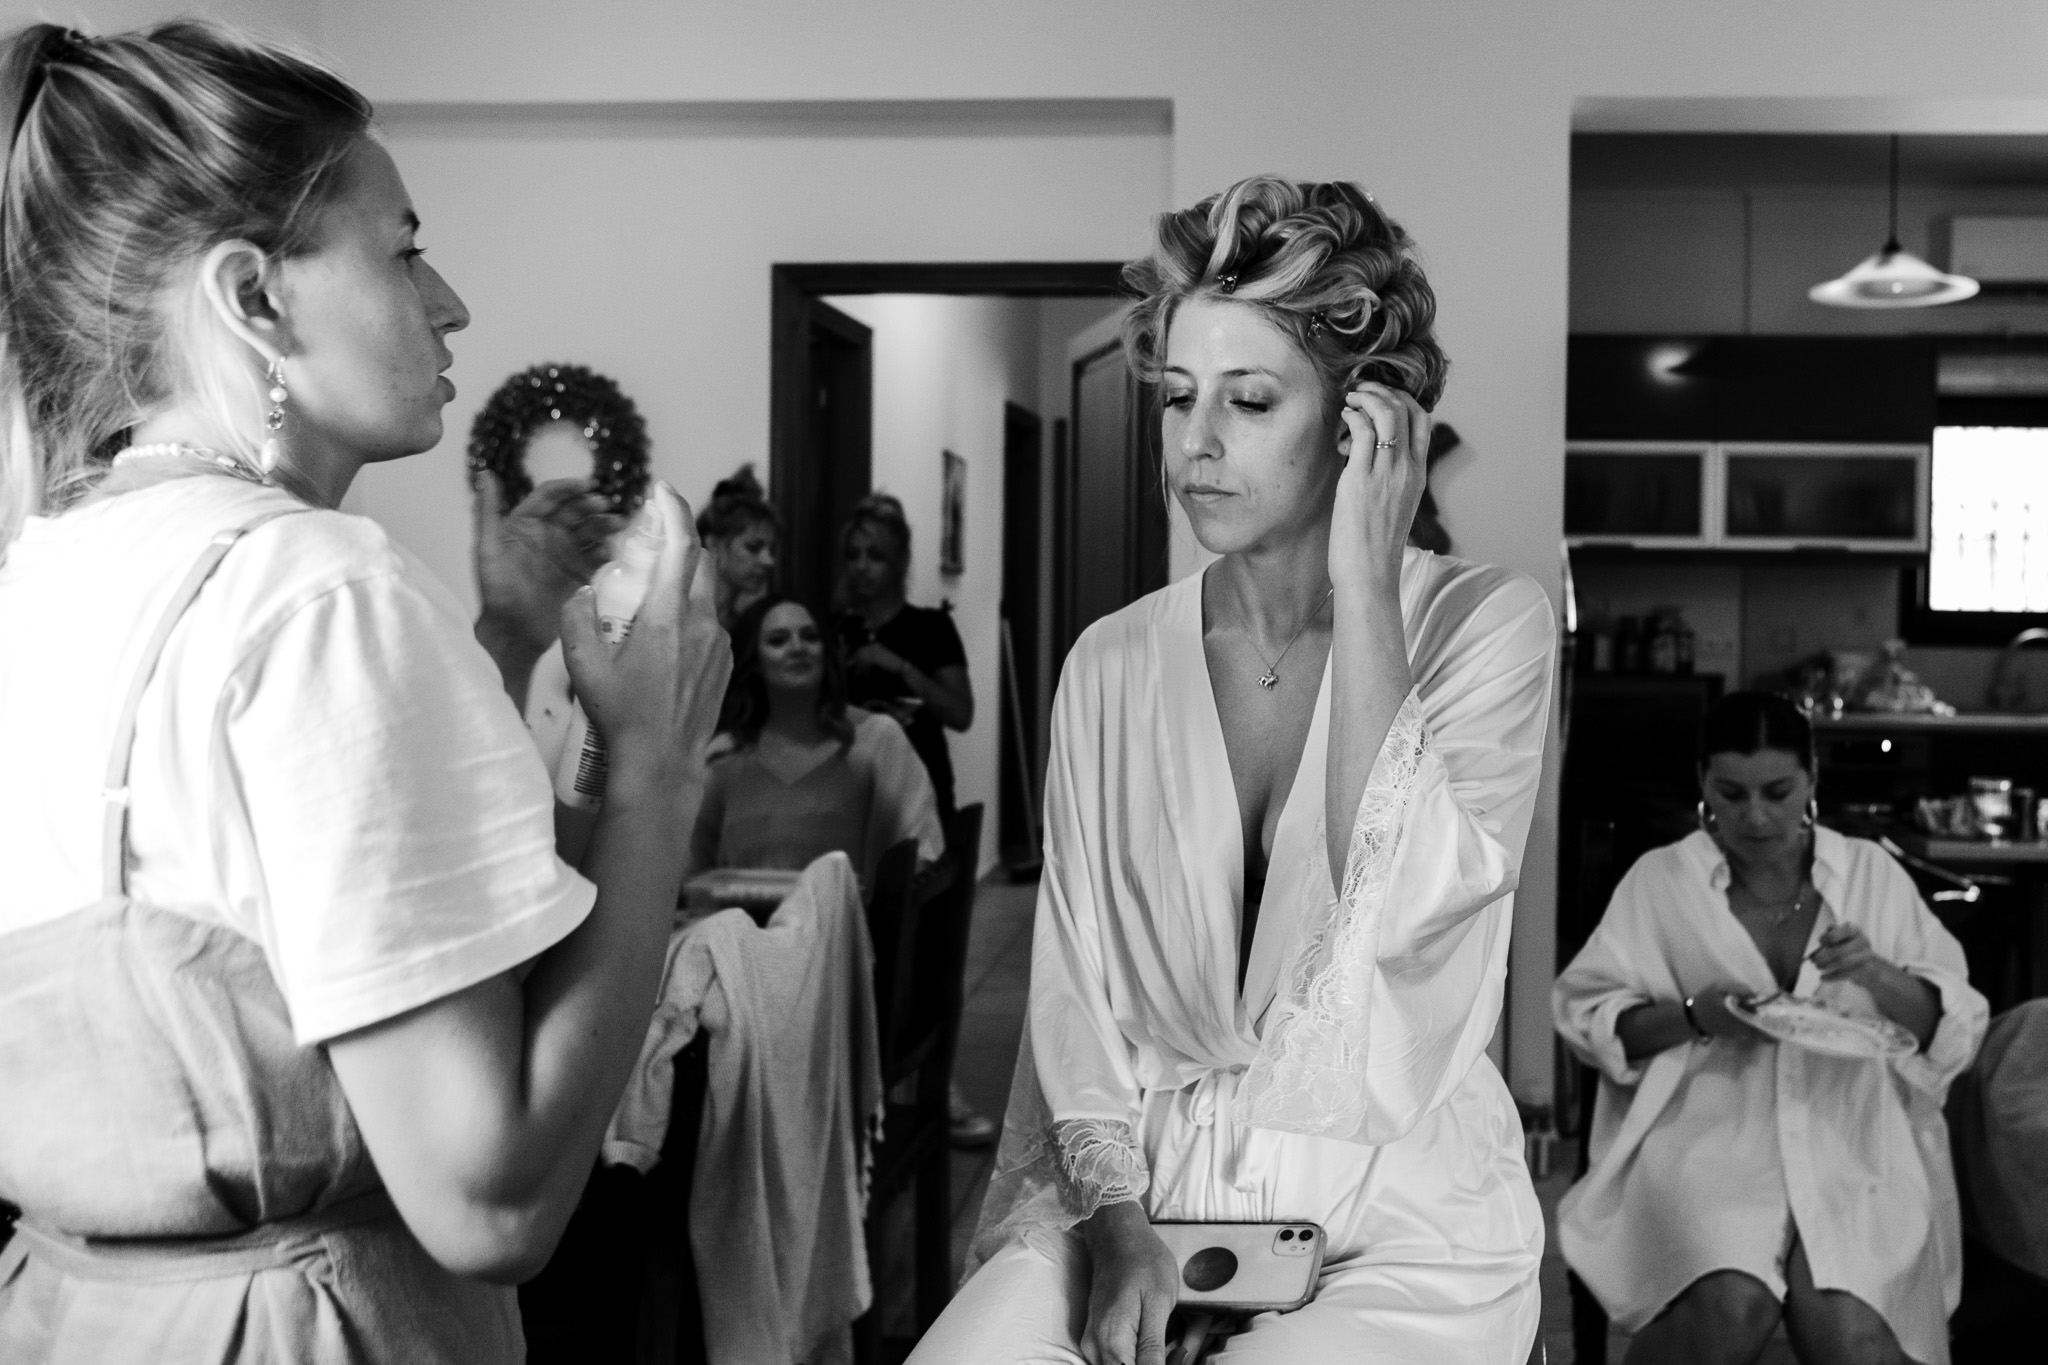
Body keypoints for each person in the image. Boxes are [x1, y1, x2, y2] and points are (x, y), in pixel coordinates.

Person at [0, 22, 730, 1364]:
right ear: (254, 299)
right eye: (402, 248)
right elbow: (490, 1194)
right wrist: (659, 766)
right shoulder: (319, 592)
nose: (448, 300)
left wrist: (542, 693)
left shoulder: (41, 577)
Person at [911, 176, 1556, 1364]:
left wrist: (1367, 584)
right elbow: (1074, 994)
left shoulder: (1486, 628)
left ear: (1363, 418)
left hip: (1395, 1217)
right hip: (1143, 1196)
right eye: (1175, 398)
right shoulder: (1109, 664)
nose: (1195, 444)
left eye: (1248, 400)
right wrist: (1117, 1231)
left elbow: (1412, 927)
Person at [1554, 691, 1988, 1365]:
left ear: (1812, 778)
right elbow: (1587, 1020)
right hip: (1706, 1134)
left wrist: (1876, 972)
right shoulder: (1662, 881)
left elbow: (1951, 1029)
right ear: (1702, 781)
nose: (1755, 815)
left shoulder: (1868, 873)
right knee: (1732, 1306)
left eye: (1778, 791)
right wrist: (1698, 1014)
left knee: (1848, 1330)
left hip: (1851, 1136)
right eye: (1731, 793)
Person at [691, 595, 943, 886]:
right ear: (754, 663)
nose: (798, 648)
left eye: (811, 637)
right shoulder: (724, 756)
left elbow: (923, 854)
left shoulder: (878, 740)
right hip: (744, 925)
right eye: (778, 640)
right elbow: (688, 872)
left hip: (849, 924)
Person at [832, 492, 974, 824]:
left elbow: (961, 714)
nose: (862, 567)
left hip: (923, 787)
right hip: (849, 791)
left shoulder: (932, 627)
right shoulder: (834, 629)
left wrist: (900, 667)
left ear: (899, 561)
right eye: (853, 556)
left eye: (876, 556)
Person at [695, 463, 780, 631]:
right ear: (714, 545)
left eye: (772, 550)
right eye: (753, 547)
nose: (769, 561)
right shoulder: (679, 619)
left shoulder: (748, 626)